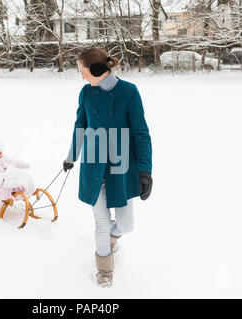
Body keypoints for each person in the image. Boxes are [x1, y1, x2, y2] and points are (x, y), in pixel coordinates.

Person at [63, 48, 153, 288]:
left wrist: (145, 171)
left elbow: (141, 133)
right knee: (101, 222)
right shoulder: (86, 93)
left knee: (126, 225)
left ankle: (113, 240)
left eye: (83, 72)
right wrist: (72, 156)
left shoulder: (129, 92)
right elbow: (80, 126)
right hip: (93, 167)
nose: (81, 77)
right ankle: (105, 272)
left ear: (96, 70)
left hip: (121, 167)